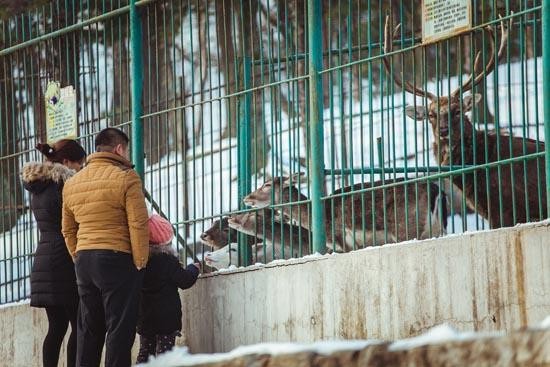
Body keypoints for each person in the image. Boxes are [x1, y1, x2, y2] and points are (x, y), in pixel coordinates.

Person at [61, 128, 149, 367]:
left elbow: (67, 230)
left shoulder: (72, 183)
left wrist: (78, 256)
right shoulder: (127, 177)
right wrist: (140, 263)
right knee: (119, 329)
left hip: (85, 262)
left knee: (90, 330)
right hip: (116, 258)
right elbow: (138, 224)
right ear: (119, 149)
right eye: (126, 150)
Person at [21, 139, 86, 367]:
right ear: (67, 162)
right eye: (80, 163)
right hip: (64, 259)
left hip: (44, 258)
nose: (81, 169)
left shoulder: (38, 185)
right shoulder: (63, 185)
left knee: (56, 328)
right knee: (79, 324)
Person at [136, 213, 200, 364]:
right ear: (166, 240)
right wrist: (193, 269)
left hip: (145, 319)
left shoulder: (139, 262)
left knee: (145, 353)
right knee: (165, 356)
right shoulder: (168, 261)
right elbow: (184, 281)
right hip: (166, 320)